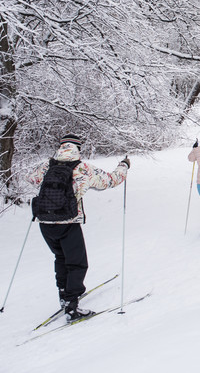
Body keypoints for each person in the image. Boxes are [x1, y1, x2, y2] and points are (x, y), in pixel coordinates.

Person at [27, 133, 130, 321]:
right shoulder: (82, 168)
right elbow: (111, 180)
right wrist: (124, 166)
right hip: (68, 223)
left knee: (60, 257)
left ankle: (63, 295)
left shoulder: (47, 165)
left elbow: (31, 179)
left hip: (45, 223)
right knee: (77, 263)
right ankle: (72, 306)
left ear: (60, 147)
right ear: (78, 149)